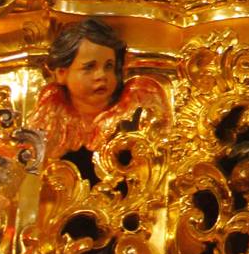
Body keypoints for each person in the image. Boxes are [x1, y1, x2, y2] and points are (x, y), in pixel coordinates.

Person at [32, 17, 169, 160]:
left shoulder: (134, 105)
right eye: (89, 67)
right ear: (62, 73)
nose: (101, 75)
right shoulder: (52, 110)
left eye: (109, 66)